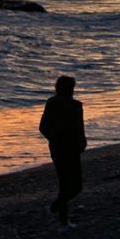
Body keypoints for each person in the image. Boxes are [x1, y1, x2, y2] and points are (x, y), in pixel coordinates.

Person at [39, 74, 87, 228]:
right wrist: (55, 138)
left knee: (72, 185)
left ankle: (59, 209)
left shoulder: (75, 105)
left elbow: (80, 129)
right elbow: (44, 127)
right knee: (68, 184)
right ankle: (62, 217)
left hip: (68, 148)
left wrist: (81, 143)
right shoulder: (54, 104)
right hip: (62, 148)